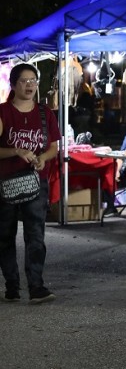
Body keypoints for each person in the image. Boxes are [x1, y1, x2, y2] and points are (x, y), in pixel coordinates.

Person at [0, 63, 60, 303]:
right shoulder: (3, 112)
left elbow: (53, 148)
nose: (29, 85)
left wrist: (42, 159)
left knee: (36, 235)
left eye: (33, 80)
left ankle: (36, 286)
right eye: (24, 81)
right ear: (13, 84)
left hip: (36, 182)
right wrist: (16, 150)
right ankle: (12, 284)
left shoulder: (46, 113)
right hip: (6, 183)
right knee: (5, 235)